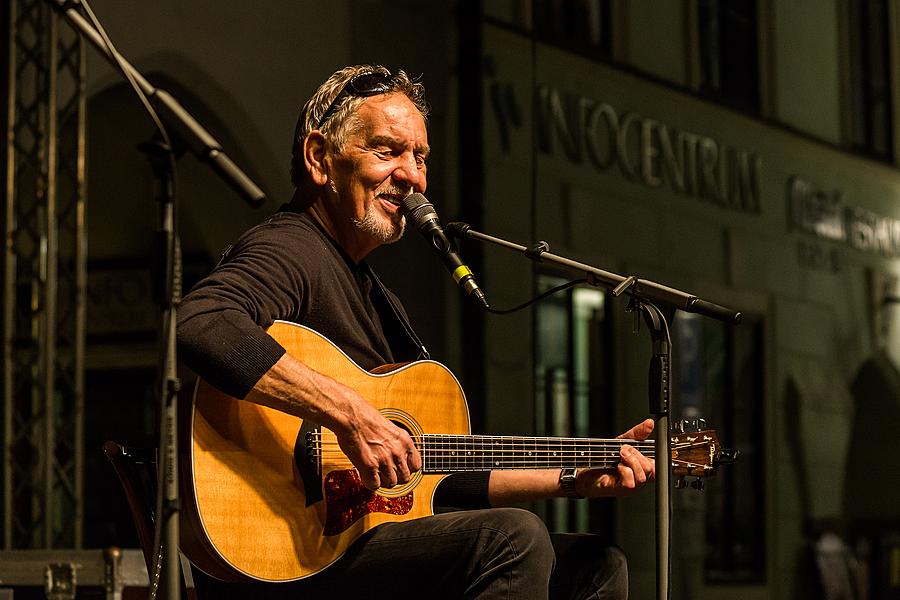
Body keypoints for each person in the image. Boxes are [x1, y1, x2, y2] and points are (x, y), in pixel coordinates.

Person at [177, 64, 655, 600]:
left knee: (596, 563)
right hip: (291, 554)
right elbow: (203, 322)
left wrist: (574, 473)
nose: (412, 177)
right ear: (319, 159)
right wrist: (352, 414)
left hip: (359, 543)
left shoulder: (374, 294)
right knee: (514, 538)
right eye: (388, 151)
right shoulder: (290, 248)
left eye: (420, 157)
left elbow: (440, 473)